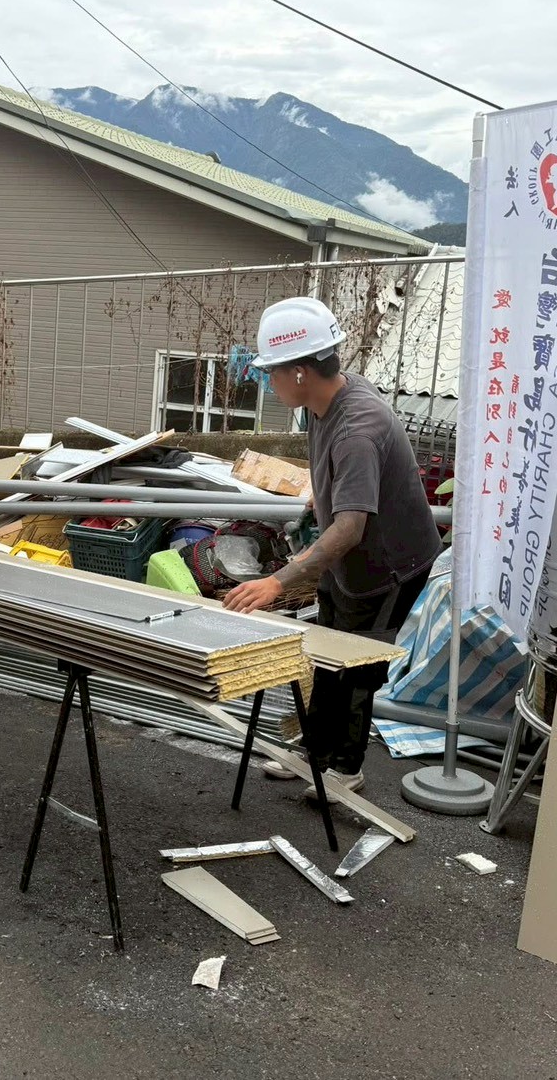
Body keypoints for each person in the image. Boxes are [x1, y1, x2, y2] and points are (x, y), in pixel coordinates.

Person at [223, 296, 440, 797]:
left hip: (388, 565)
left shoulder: (357, 429)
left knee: (357, 663)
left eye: (272, 372)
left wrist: (278, 581)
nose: (269, 382)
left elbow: (349, 531)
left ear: (301, 371)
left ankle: (345, 767)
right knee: (325, 649)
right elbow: (339, 485)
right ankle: (314, 751)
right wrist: (319, 498)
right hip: (350, 557)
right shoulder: (326, 399)